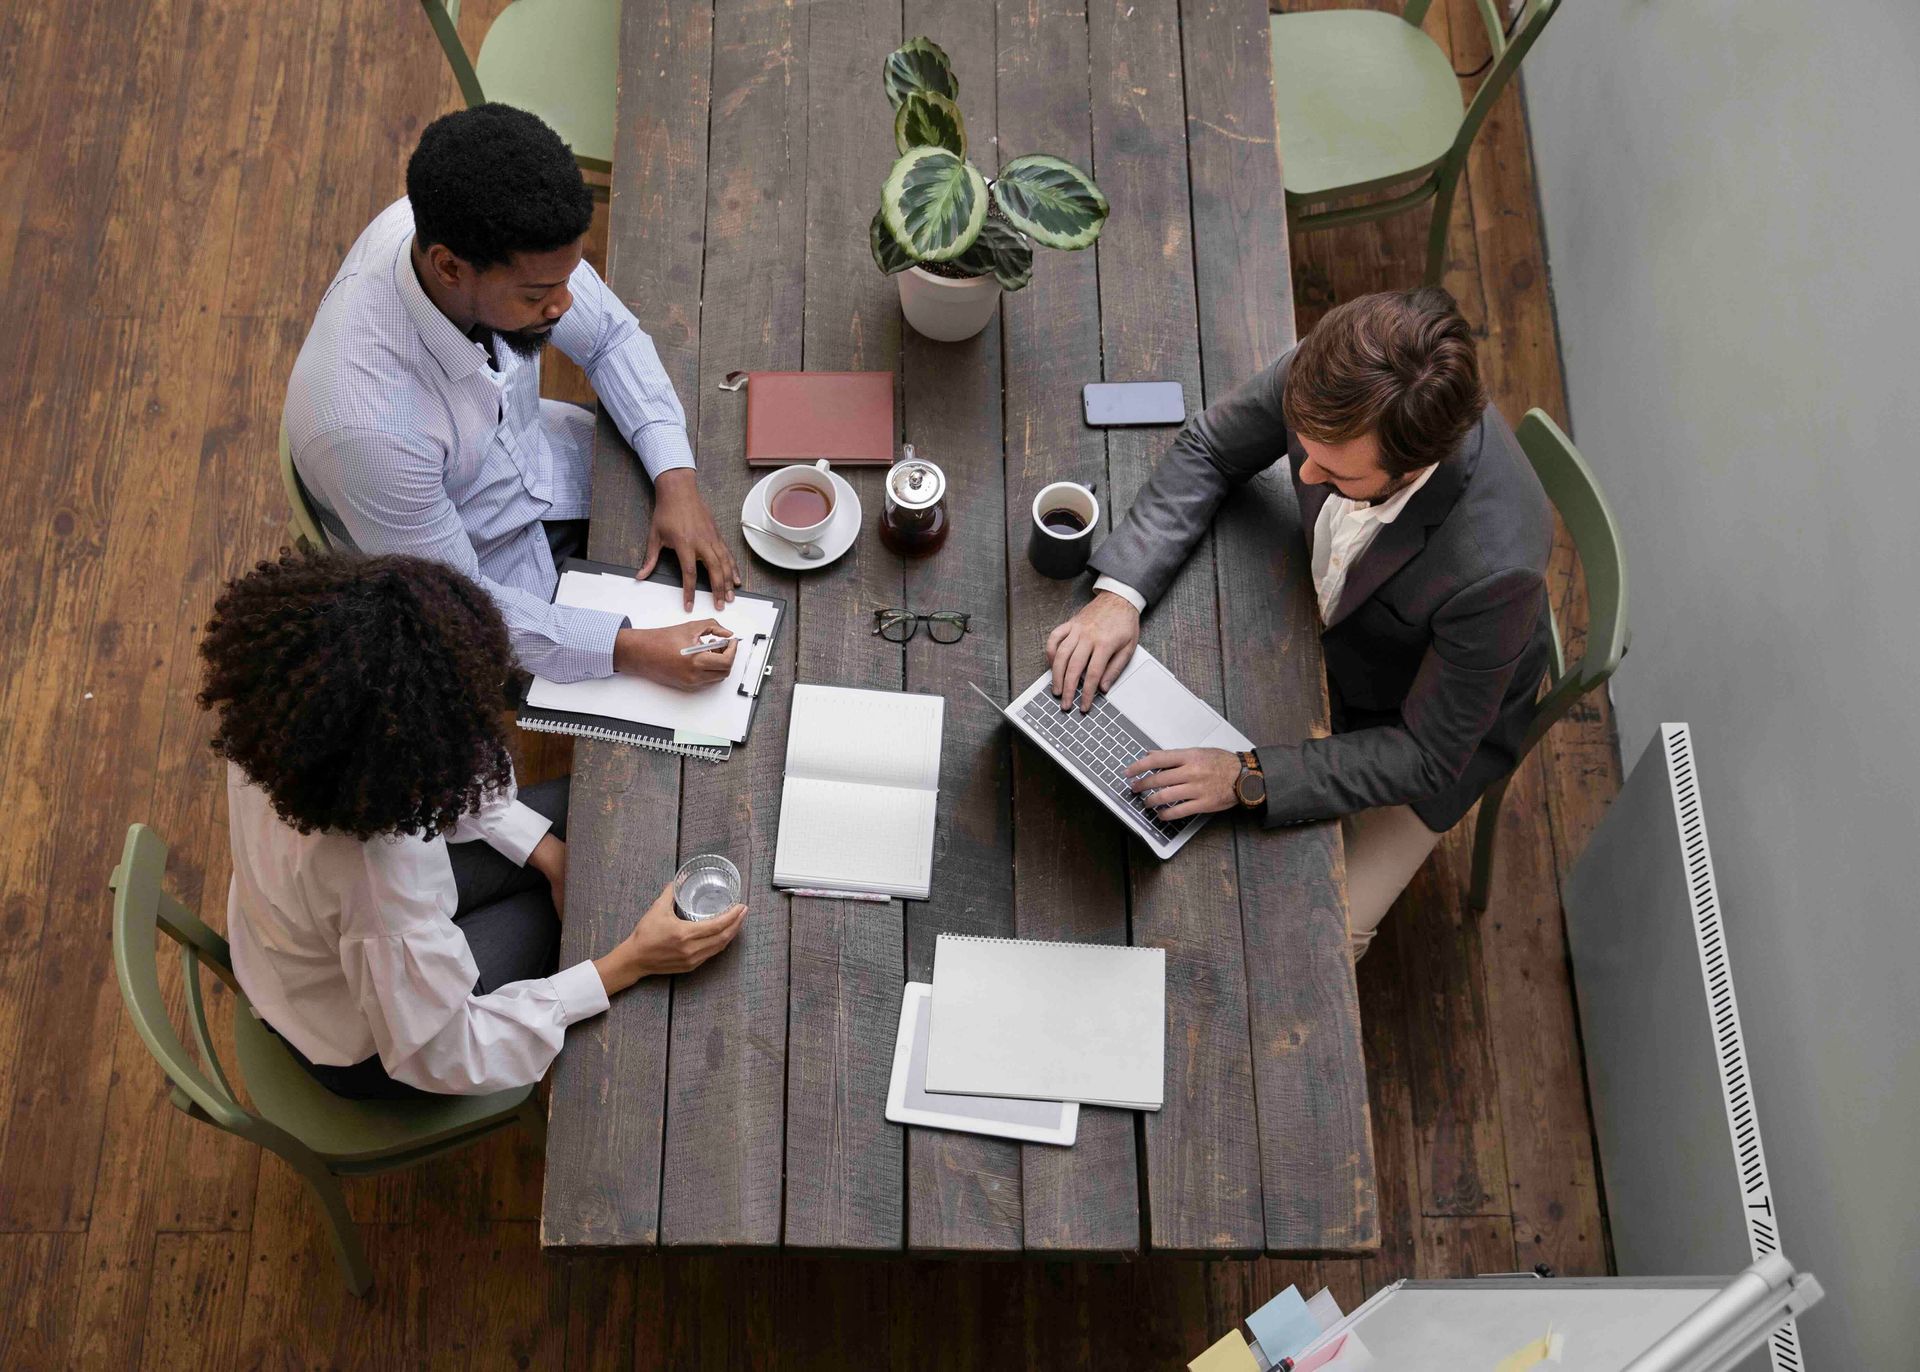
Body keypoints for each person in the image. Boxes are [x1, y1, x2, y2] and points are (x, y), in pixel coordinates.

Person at [1046, 287, 1553, 956]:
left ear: (1409, 470)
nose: (1304, 474)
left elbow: (1425, 754)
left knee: (1316, 942)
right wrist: (1120, 594)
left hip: (1409, 722)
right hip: (1315, 621)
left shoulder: (1496, 575)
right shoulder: (1338, 374)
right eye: (1304, 448)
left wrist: (1246, 777)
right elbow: (1213, 446)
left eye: (1334, 471)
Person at [200, 550, 745, 1098]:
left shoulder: (287, 717)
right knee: (590, 911)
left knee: (597, 828)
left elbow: (440, 773)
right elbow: (451, 1052)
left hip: (322, 939)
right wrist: (627, 963)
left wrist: (547, 853)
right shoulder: (373, 878)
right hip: (374, 1043)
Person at [285, 102, 743, 688]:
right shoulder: (368, 428)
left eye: (568, 277)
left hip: (549, 465)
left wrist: (675, 480)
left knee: (722, 507)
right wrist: (630, 651)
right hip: (481, 578)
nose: (565, 306)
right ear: (450, 268)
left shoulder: (477, 226)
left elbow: (609, 338)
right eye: (537, 296)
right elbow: (459, 603)